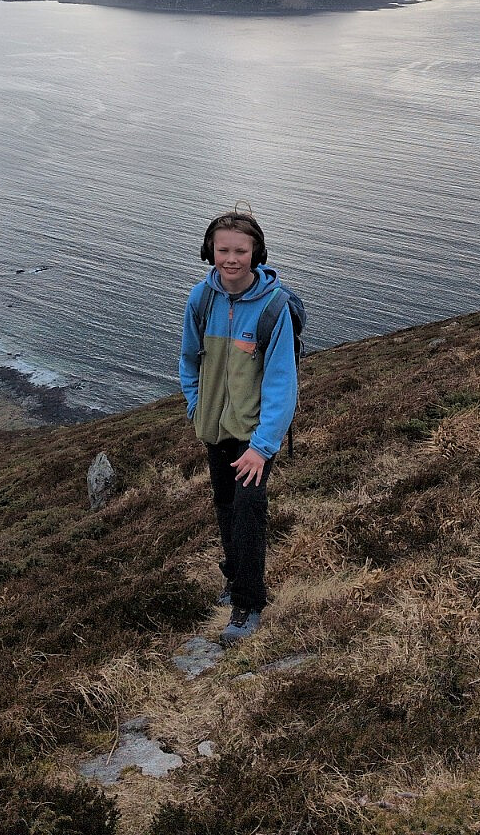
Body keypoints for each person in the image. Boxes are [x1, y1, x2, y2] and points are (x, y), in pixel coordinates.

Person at [179, 208, 298, 644]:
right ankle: (234, 579)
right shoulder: (201, 299)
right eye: (223, 250)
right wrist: (197, 407)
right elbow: (188, 359)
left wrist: (262, 447)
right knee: (226, 506)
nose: (231, 259)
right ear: (209, 251)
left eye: (241, 251)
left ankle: (248, 604)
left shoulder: (273, 307)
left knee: (249, 513)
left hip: (254, 436)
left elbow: (282, 383)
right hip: (215, 428)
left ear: (256, 253)